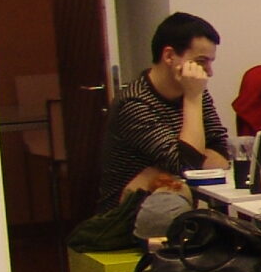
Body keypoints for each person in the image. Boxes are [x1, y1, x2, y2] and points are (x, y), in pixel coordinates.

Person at [96, 11, 229, 207]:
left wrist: (172, 167)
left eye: (210, 62)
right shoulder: (134, 103)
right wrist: (192, 99)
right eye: (201, 62)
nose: (209, 72)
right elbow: (187, 166)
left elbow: (222, 156)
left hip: (176, 205)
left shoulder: (195, 90)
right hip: (131, 215)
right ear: (169, 56)